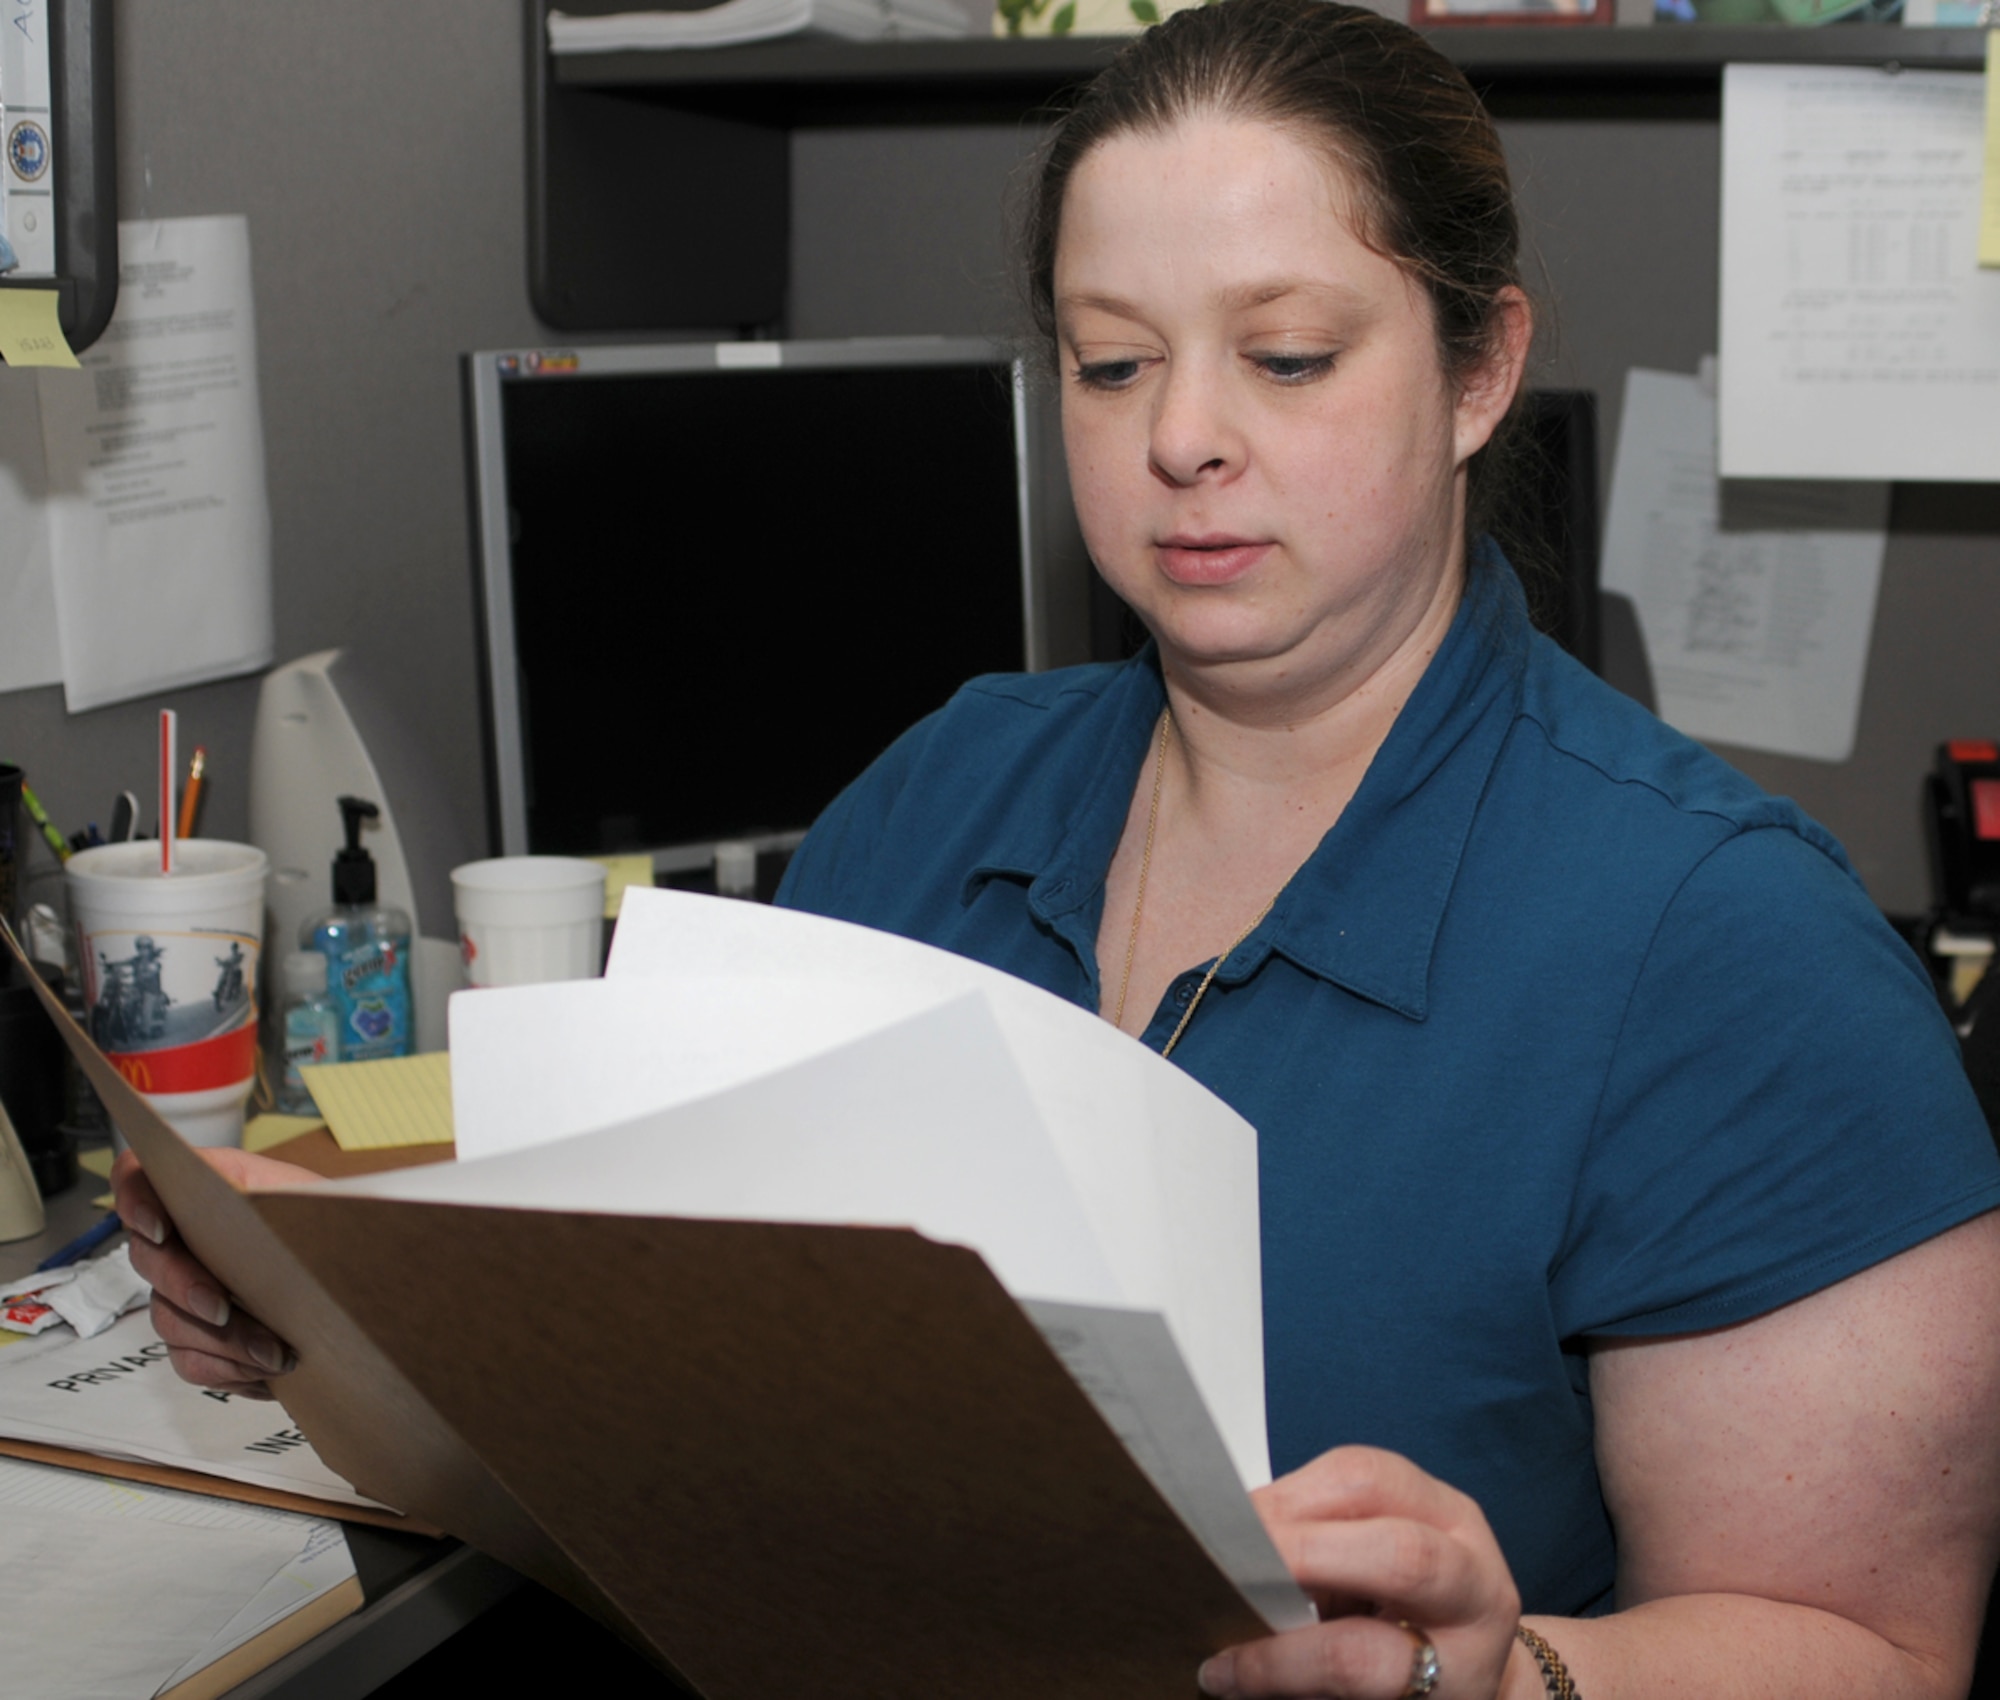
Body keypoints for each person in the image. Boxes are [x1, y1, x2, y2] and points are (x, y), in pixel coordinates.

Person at [118, 3, 2000, 1696]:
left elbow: (1862, 1653)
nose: (1183, 436)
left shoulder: (1725, 944)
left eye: (1284, 356)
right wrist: (326, 1323)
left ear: (1479, 370)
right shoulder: (947, 792)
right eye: (1110, 367)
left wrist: (1505, 1692)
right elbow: (684, 1352)